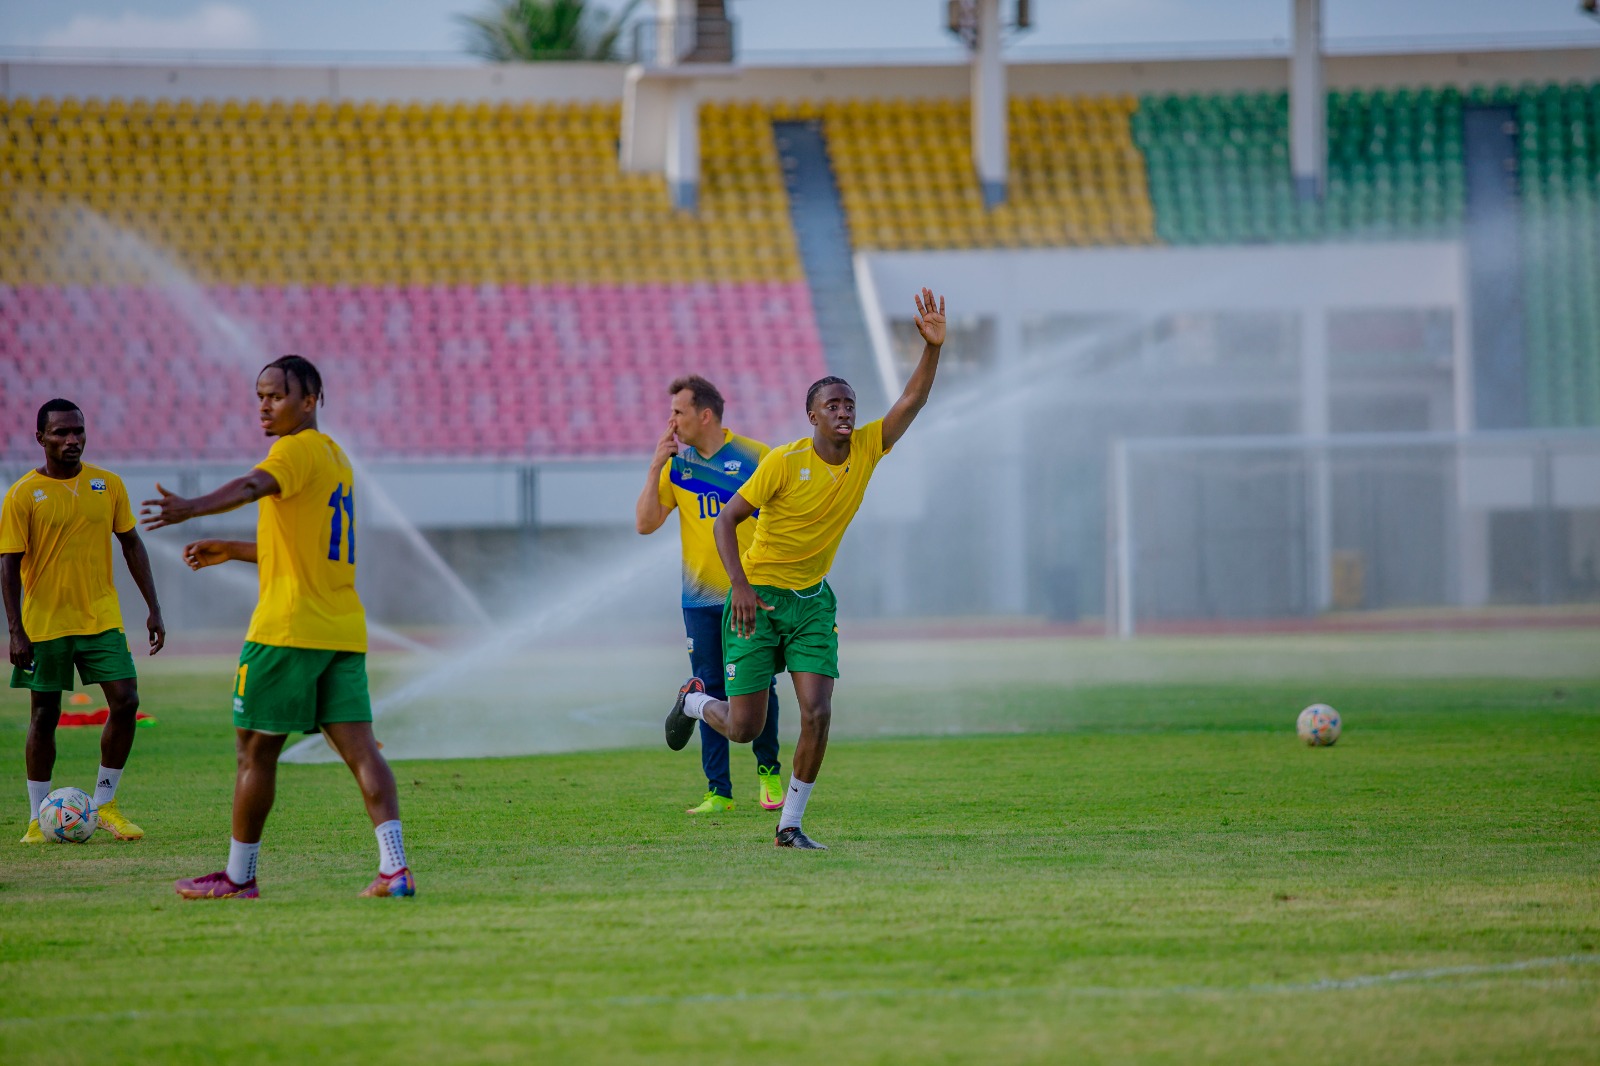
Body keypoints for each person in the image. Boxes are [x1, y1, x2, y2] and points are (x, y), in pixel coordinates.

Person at [665, 288, 947, 849]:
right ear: (813, 415)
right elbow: (727, 521)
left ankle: (789, 825)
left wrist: (933, 349)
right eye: (834, 405)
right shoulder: (783, 462)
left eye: (850, 404)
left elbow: (911, 401)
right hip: (758, 597)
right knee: (744, 728)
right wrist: (740, 587)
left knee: (816, 711)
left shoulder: (867, 449)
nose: (845, 411)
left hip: (813, 602)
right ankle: (695, 699)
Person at [141, 355, 413, 899]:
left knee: (254, 753)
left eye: (277, 395)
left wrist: (192, 508)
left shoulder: (290, 450)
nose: (265, 405)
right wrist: (236, 550)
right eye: (260, 396)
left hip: (286, 631)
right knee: (363, 751)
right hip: (339, 628)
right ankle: (395, 868)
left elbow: (250, 486)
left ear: (310, 400)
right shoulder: (335, 457)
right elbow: (307, 548)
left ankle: (239, 877)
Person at [3, 399, 165, 844]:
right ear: (41, 439)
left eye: (78, 431)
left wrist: (153, 606)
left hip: (100, 617)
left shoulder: (107, 484)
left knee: (127, 700)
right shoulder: (21, 495)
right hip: (46, 623)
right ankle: (38, 817)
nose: (72, 440)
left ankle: (106, 804)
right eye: (60, 433)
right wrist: (15, 629)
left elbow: (132, 544)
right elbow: (8, 564)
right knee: (44, 716)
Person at [636, 375, 785, 815]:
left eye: (678, 412)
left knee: (760, 684)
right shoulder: (676, 467)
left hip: (750, 591)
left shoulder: (757, 456)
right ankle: (718, 792)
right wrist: (654, 467)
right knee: (706, 690)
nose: (672, 422)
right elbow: (645, 523)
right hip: (699, 598)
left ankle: (768, 772)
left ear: (705, 414)